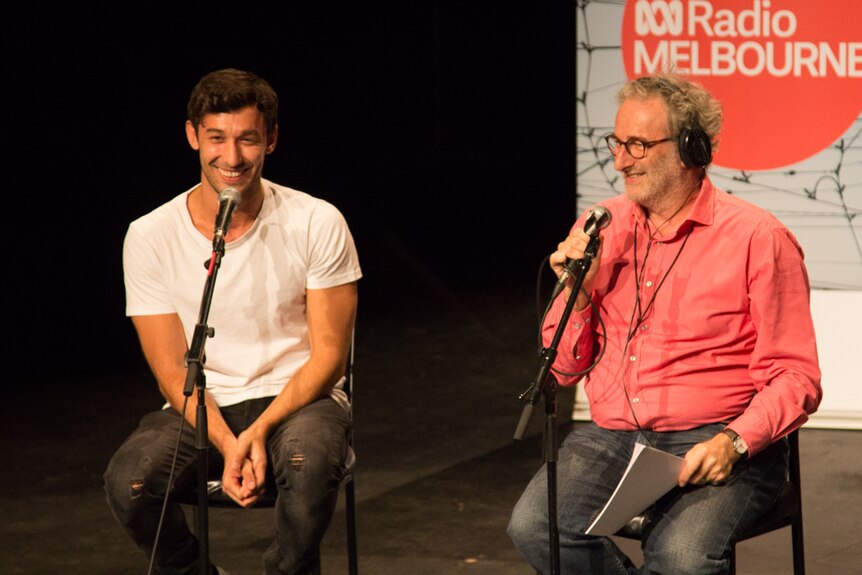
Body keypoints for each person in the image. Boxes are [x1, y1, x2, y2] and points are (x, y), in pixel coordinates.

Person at [507, 74, 822, 574]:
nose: (619, 160)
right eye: (616, 142)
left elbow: (795, 375)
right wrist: (579, 291)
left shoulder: (758, 238)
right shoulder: (600, 227)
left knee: (679, 555)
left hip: (716, 439)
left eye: (638, 144)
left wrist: (734, 441)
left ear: (691, 150)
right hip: (613, 438)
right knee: (535, 527)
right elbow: (563, 372)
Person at [104, 68, 362, 575]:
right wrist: (228, 439)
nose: (233, 157)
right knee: (128, 482)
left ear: (271, 139)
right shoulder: (149, 235)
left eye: (248, 139)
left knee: (307, 468)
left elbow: (331, 354)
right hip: (201, 403)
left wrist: (260, 431)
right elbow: (173, 371)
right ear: (192, 136)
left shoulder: (317, 220)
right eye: (217, 138)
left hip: (300, 399)